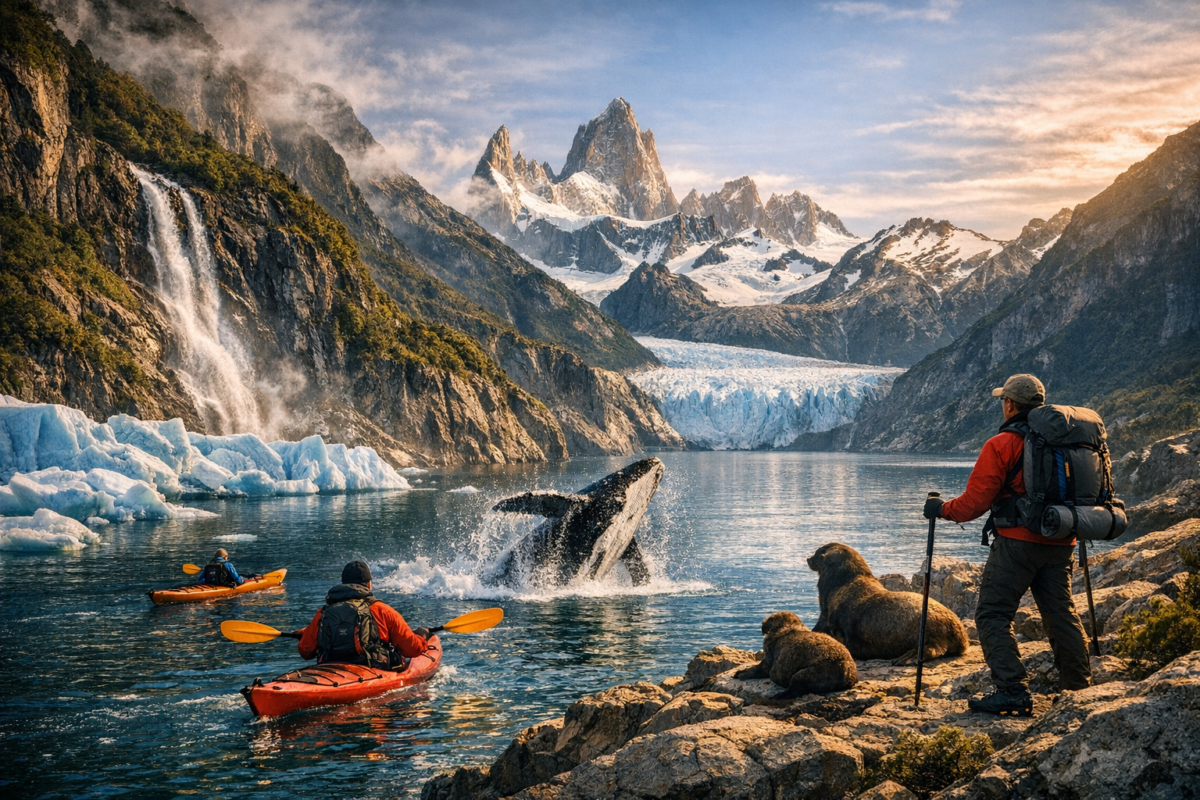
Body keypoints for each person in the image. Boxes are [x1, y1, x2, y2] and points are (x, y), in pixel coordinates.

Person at [923, 374, 1091, 716]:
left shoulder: (1001, 444)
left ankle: (1012, 690)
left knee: (992, 614)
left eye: (1004, 400)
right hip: (1062, 538)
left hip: (1017, 544)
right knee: (1061, 614)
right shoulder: (1067, 441)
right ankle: (1077, 690)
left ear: (1010, 404)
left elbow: (974, 504)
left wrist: (941, 509)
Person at [296, 560, 430, 670]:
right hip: (372, 671)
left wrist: (307, 633)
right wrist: (422, 637)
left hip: (330, 670)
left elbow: (305, 651)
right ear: (368, 584)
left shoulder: (323, 613)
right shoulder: (383, 610)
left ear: (344, 583)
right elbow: (411, 649)